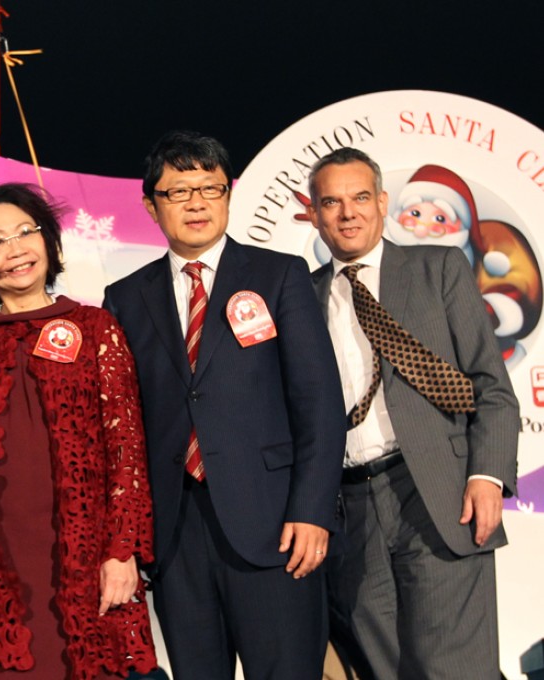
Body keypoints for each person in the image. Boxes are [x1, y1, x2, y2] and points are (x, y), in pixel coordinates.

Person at [102, 131, 346, 679]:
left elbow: (319, 405)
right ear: (150, 204)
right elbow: (122, 423)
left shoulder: (278, 275)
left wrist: (311, 511)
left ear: (228, 196)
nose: (196, 203)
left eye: (210, 189)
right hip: (175, 531)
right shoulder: (124, 297)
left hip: (275, 525)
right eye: (178, 191)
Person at [0, 183, 156, 679]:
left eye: (26, 232)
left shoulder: (95, 326)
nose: (16, 247)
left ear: (50, 242)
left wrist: (121, 551)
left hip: (77, 554)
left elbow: (126, 445)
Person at [307, 147, 519, 679]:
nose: (347, 213)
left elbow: (491, 387)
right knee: (384, 667)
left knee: (454, 668)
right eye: (331, 202)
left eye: (360, 198)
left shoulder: (437, 269)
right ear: (314, 213)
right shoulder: (300, 296)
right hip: (348, 508)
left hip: (437, 493)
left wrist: (487, 474)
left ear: (381, 203)